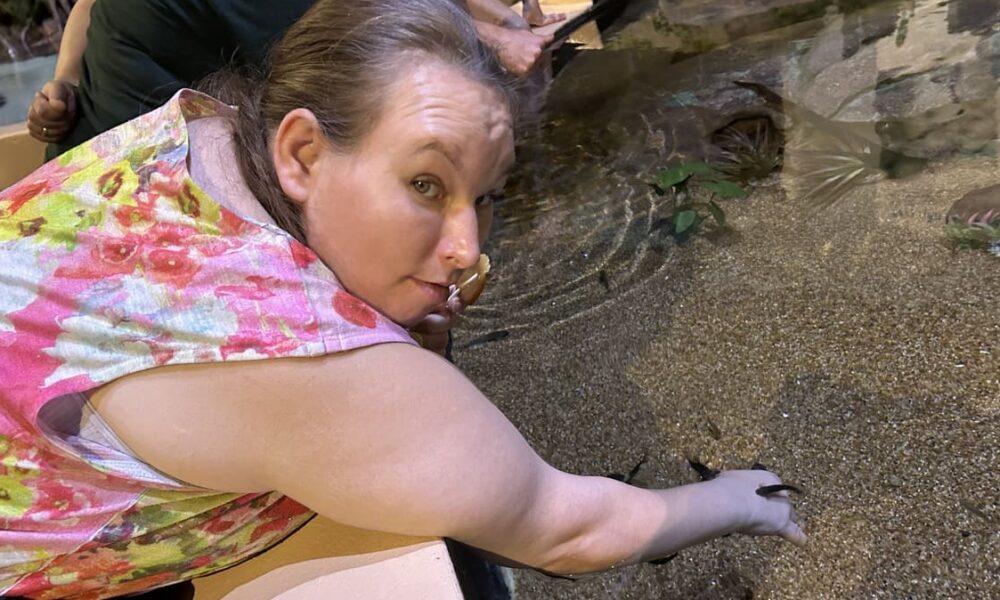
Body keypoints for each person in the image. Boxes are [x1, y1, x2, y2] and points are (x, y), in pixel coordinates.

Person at [0, 0, 805, 597]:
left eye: (487, 196)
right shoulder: (305, 361)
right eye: (425, 183)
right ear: (302, 151)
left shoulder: (202, 130)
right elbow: (569, 526)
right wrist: (740, 500)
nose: (470, 250)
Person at [27, 0, 562, 159]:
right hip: (126, 181)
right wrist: (493, 38)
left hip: (172, 143)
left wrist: (508, 24)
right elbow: (349, 17)